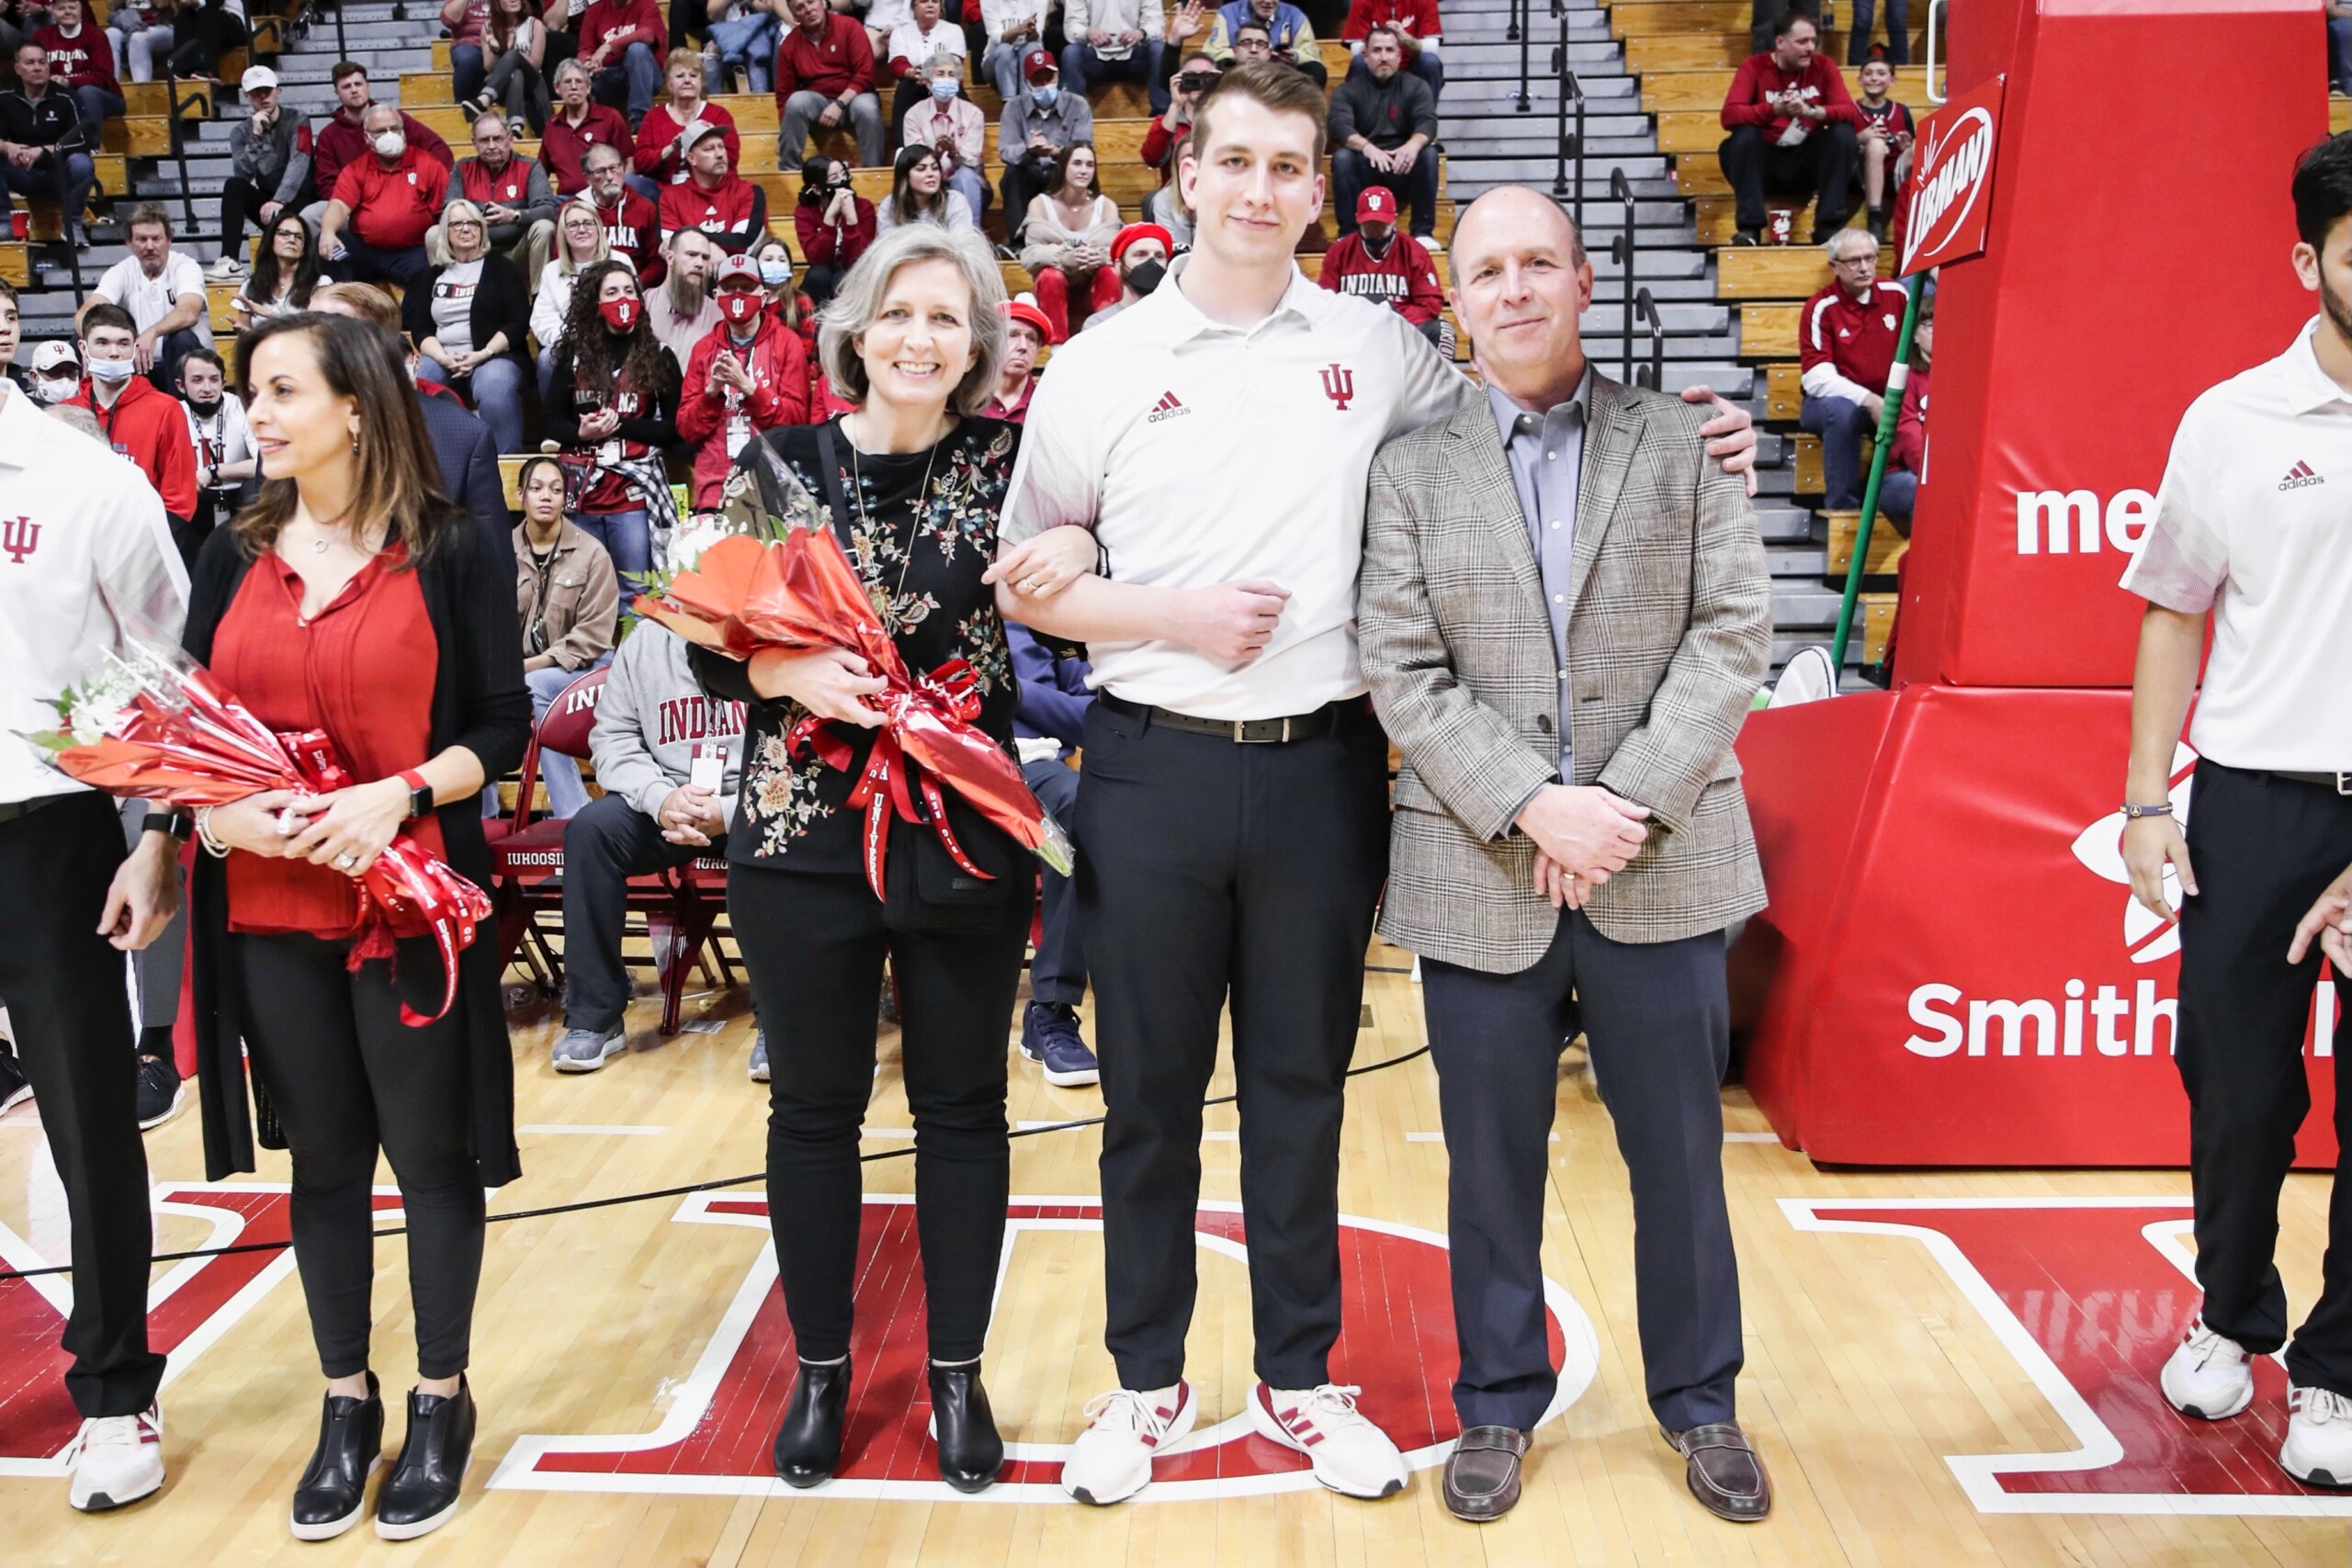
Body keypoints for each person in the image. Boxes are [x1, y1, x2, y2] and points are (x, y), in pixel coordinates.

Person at [990, 62, 1759, 1508]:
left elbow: (1520, 409)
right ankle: (1143, 1380)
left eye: (1291, 166)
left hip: (1323, 770)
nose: (1263, 189)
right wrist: (1157, 605)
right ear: (1189, 176)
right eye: (1238, 162)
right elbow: (1041, 576)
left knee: (1301, 1088)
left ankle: (1296, 1377)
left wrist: (1693, 429)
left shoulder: (1381, 346)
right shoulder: (1102, 357)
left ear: (1320, 189)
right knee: (1148, 1096)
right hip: (1151, 760)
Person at [1358, 184, 1775, 1527]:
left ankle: (1702, 1399)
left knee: (1681, 1155)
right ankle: (1496, 1398)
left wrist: (1624, 806)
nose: (1518, 288)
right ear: (1457, 298)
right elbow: (1402, 669)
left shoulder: (1686, 444)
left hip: (1662, 860)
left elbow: (1732, 639)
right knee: (1490, 1162)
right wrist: (1535, 802)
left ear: (1585, 283)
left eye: (1542, 261)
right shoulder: (1411, 469)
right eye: (1490, 270)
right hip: (1484, 866)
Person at [684, 221, 1027, 1495]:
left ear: (978, 341)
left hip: (963, 826)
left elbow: (1071, 574)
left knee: (962, 1107)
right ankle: (821, 1370)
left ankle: (957, 1373)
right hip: (797, 834)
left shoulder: (1014, 463)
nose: (921, 337)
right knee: (813, 1110)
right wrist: (775, 665)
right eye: (900, 313)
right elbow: (712, 634)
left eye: (948, 317)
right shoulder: (776, 463)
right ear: (857, 330)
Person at [180, 310, 528, 1543]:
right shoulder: (231, 549)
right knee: (322, 1162)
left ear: (357, 406)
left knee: (427, 1156)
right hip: (272, 908)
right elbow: (187, 739)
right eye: (251, 392)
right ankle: (347, 1399)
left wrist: (402, 788)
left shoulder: (450, 548)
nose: (257, 413)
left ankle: (441, 1393)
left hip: (412, 902)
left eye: (280, 391)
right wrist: (223, 830)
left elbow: (502, 726)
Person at [2121, 132, 2352, 1491]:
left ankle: (2338, 1369)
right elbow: (2172, 611)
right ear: (2307, 261)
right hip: (2254, 799)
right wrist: (2149, 798)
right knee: (2238, 1087)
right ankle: (2232, 1312)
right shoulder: (2230, 419)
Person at [0, 276, 184, 1516]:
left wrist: (160, 828)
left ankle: (117, 1387)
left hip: (41, 829)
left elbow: (168, 667)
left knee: (83, 1117)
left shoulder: (85, 482)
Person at [551, 613, 744, 1070]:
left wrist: (732, 811)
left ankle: (780, 1024)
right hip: (668, 801)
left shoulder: (776, 634)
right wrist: (661, 799)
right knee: (590, 832)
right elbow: (613, 737)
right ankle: (594, 1017)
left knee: (776, 845)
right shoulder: (646, 640)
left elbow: (801, 749)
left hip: (751, 803)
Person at [311, 281, 516, 568]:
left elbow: (492, 564)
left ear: (380, 344)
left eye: (330, 324)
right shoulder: (285, 431)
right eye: (307, 323)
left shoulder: (462, 437)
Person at [546, 257, 683, 588]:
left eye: (629, 291)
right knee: (583, 590)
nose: (623, 299)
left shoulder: (660, 355)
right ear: (595, 302)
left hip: (632, 490)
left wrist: (620, 424)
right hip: (583, 489)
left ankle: (633, 644)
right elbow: (551, 422)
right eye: (612, 292)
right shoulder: (571, 356)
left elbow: (673, 429)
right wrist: (581, 432)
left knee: (635, 589)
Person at [1008, 620, 1102, 1087]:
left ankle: (1052, 1010)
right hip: (934, 764)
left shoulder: (1045, 624)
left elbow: (1092, 715)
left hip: (1033, 766)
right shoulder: (912, 601)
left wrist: (1011, 692)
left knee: (1089, 810)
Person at [510, 455, 620, 819]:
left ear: (565, 499)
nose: (547, 497)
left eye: (556, 490)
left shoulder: (592, 554)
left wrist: (526, 666)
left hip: (589, 668)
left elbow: (591, 639)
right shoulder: (501, 551)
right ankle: (482, 816)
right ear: (521, 494)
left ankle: (571, 811)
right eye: (537, 489)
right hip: (520, 668)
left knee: (536, 687)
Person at [677, 252, 810, 507]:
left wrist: (749, 387)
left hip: (772, 479)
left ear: (763, 296)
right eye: (729, 288)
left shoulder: (786, 343)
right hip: (716, 483)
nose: (738, 295)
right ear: (716, 297)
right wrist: (711, 394)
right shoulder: (703, 348)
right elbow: (687, 430)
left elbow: (797, 421)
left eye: (747, 288)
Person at [1717, 11, 1860, 247]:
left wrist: (1812, 112)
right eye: (1802, 41)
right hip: (1764, 164)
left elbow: (1850, 112)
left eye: (1813, 41)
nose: (1810, 48)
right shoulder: (1753, 66)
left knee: (1842, 133)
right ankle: (1750, 229)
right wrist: (1774, 109)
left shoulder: (1824, 66)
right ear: (1780, 42)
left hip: (1806, 162)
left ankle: (1827, 228)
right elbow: (1729, 115)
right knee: (1743, 135)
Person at [72, 301, 198, 551]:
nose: (114, 352)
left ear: (134, 346)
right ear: (83, 348)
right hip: (79, 549)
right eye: (102, 343)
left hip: (144, 550)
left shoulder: (165, 409)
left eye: (123, 343)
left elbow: (180, 501)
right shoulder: (65, 413)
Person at [407, 200, 532, 454]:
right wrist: (443, 357)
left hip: (493, 356)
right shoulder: (430, 276)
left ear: (482, 230)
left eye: (473, 223)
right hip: (443, 356)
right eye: (457, 224)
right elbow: (420, 329)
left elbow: (518, 321)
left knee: (494, 385)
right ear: (446, 232)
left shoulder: (502, 268)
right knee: (419, 379)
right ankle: (430, 463)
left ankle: (505, 462)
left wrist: (481, 355)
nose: (466, 229)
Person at [1797, 227, 1905, 512]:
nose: (1864, 267)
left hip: (1888, 398)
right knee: (1840, 411)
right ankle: (1843, 509)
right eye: (1854, 261)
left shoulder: (1896, 294)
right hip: (1832, 403)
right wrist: (1869, 400)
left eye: (1870, 258)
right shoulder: (1821, 307)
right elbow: (1816, 377)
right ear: (1835, 266)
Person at [318, 103, 452, 290]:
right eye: (381, 131)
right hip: (366, 251)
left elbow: (445, 210)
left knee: (426, 270)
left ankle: (412, 320)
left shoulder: (428, 165)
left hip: (412, 253)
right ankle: (342, 311)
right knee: (331, 247)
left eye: (395, 129)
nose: (390, 135)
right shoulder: (356, 169)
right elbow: (339, 205)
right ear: (367, 137)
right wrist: (327, 231)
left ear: (403, 131)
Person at [306, 62, 454, 230]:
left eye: (358, 84)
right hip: (354, 205)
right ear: (337, 93)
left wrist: (420, 190)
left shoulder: (395, 119)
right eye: (346, 86)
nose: (354, 90)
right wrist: (355, 202)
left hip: (404, 198)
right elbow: (326, 184)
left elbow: (438, 148)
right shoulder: (329, 135)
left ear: (367, 86)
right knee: (310, 215)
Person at [1327, 24, 1437, 246]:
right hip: (1366, 165)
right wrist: (1368, 148)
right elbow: (1339, 125)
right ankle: (1348, 235)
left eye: (1389, 50)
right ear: (1365, 56)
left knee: (1429, 154)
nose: (1383, 57)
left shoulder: (1416, 86)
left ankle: (1422, 232)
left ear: (1399, 55)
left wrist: (1412, 146)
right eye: (1377, 51)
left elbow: (1428, 122)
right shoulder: (1347, 91)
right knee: (1342, 158)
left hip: (1402, 165)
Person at [83, 203, 208, 384]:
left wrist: (153, 332)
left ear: (169, 240)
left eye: (156, 239)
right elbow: (86, 313)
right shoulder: (121, 271)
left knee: (181, 338)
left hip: (183, 363)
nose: (149, 246)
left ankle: (185, 410)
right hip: (138, 364)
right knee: (82, 337)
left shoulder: (185, 266)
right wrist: (88, 343)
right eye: (142, 239)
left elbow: (189, 311)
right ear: (129, 242)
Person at [210, 65, 310, 276]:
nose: (263, 97)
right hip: (269, 203)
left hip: (301, 198)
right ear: (247, 96)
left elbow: (299, 161)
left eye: (268, 90)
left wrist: (280, 199)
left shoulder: (298, 119)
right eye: (256, 92)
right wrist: (256, 135)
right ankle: (230, 260)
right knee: (234, 186)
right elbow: (242, 175)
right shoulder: (240, 132)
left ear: (278, 91)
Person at [447, 108, 559, 291]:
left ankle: (540, 296)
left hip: (517, 252)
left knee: (544, 228)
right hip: (473, 252)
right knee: (434, 234)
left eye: (497, 139)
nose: (491, 146)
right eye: (484, 140)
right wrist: (475, 221)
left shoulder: (530, 167)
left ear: (510, 139)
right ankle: (445, 294)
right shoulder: (463, 168)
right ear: (474, 144)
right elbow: (448, 210)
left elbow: (548, 210)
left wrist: (513, 215)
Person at [0, 39, 95, 252]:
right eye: (30, 62)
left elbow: (82, 140)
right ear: (17, 68)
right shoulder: (4, 98)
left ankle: (73, 224)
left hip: (57, 174)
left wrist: (43, 152)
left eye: (42, 62)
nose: (37, 68)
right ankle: (5, 223)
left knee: (81, 162)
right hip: (21, 172)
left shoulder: (67, 98)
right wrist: (8, 147)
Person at [1317, 185, 1442, 345]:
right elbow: (1325, 302)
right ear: (1357, 220)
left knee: (1443, 332)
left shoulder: (1414, 252)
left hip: (1400, 332)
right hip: (1352, 333)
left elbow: (1430, 303)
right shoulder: (1339, 253)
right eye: (1369, 226)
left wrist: (1393, 316)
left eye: (1380, 226)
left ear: (1394, 220)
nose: (1375, 231)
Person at [1021, 141, 1120, 341]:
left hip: (1092, 288)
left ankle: (1108, 341)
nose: (1084, 170)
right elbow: (1031, 255)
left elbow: (1116, 252)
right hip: (1054, 290)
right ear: (1063, 166)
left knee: (1109, 273)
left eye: (1089, 165)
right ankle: (1055, 348)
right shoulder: (1041, 204)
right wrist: (1066, 258)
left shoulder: (1106, 206)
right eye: (1077, 163)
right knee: (1050, 275)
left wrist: (1098, 257)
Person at [998, 49, 1093, 245]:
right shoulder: (1014, 108)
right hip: (1029, 169)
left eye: (1048, 78)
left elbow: (1085, 148)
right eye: (1037, 81)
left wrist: (1056, 152)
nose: (1044, 85)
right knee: (1012, 172)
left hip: (1061, 169)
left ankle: (1074, 238)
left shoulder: (1077, 105)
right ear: (1027, 83)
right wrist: (1029, 148)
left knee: (1081, 169)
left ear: (1057, 76)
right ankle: (1019, 242)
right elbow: (1005, 151)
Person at [774, 0, 883, 170]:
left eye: (811, 2)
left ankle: (874, 171)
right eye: (800, 7)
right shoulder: (789, 45)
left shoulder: (849, 26)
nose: (808, 10)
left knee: (867, 108)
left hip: (855, 97)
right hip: (819, 105)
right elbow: (784, 96)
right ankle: (789, 170)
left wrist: (840, 103)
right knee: (796, 101)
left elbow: (865, 73)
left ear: (823, 3)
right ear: (795, 16)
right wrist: (783, 134)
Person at [177, 345, 256, 568]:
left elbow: (265, 463)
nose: (207, 388)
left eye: (214, 379)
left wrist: (214, 472)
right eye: (197, 380)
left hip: (238, 498)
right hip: (194, 501)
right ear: (180, 386)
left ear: (223, 382)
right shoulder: (172, 412)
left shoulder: (241, 407)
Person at [634, 45, 739, 187]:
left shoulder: (719, 115)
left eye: (693, 76)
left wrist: (698, 149)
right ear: (670, 85)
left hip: (708, 187)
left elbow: (730, 159)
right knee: (633, 183)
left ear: (701, 83)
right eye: (680, 76)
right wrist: (670, 150)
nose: (687, 80)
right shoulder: (653, 117)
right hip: (663, 190)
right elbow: (640, 162)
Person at [901, 50, 987, 221]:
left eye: (951, 75)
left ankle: (969, 240)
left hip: (965, 179)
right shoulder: (913, 115)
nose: (946, 79)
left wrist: (955, 153)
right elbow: (914, 159)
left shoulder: (973, 113)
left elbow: (972, 160)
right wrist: (936, 155)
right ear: (927, 82)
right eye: (940, 74)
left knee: (965, 175)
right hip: (927, 179)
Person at [657, 119, 768, 251]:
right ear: (691, 158)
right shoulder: (671, 197)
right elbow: (671, 249)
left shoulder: (749, 191)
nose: (720, 154)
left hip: (736, 269)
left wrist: (692, 239)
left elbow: (744, 243)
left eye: (721, 147)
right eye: (709, 149)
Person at [535, 197, 609, 391]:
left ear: (598, 228)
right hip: (567, 345)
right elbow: (542, 319)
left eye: (587, 223)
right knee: (545, 358)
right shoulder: (552, 270)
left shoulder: (619, 262)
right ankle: (554, 419)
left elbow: (633, 307)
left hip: (611, 340)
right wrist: (572, 339)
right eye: (573, 225)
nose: (582, 229)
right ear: (564, 232)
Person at [541, 56, 636, 196]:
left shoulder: (609, 117)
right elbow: (541, 171)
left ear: (588, 87)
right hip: (566, 201)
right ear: (557, 88)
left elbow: (629, 159)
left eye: (579, 82)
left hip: (604, 197)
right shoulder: (552, 125)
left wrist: (620, 192)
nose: (574, 87)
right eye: (567, 82)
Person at [35, 0, 120, 153]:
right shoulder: (42, 36)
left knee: (87, 92)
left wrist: (69, 81)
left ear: (80, 10)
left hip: (105, 97)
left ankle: (91, 146)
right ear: (53, 12)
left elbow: (104, 77)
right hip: (61, 96)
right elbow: (35, 68)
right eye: (61, 8)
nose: (67, 12)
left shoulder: (96, 35)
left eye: (72, 7)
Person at [1878, 288, 1928, 533]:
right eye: (1929, 326)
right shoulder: (1905, 378)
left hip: (1944, 471)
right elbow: (1909, 435)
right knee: (1926, 493)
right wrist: (1936, 473)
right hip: (1899, 473)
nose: (1938, 332)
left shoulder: (1960, 375)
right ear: (1915, 335)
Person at [795, 154, 875, 305]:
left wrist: (851, 220)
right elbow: (816, 259)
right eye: (834, 178)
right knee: (818, 275)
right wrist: (829, 219)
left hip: (854, 272)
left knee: (843, 278)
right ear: (817, 189)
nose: (843, 181)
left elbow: (858, 259)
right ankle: (813, 326)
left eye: (844, 174)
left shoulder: (864, 208)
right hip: (821, 274)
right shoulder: (805, 212)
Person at [1852, 51, 1913, 243]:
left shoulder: (1902, 111)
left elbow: (1910, 143)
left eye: (1880, 73)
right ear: (1859, 80)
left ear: (1892, 80)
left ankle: (1918, 214)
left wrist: (1905, 147)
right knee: (1876, 145)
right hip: (1860, 172)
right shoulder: (1850, 110)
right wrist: (1860, 138)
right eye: (1868, 74)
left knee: (1917, 149)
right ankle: (1875, 217)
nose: (1874, 78)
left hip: (1892, 171)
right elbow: (1840, 146)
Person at [467, 0, 550, 133]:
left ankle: (484, 98)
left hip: (532, 85)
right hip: (502, 86)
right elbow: (489, 67)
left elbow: (536, 63)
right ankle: (515, 125)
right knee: (516, 74)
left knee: (514, 57)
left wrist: (508, 53)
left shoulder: (534, 24)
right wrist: (494, 48)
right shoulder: (488, 28)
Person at [576, 0, 664, 124]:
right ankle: (588, 126)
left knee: (637, 50)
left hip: (646, 74)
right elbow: (585, 49)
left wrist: (608, 47)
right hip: (610, 74)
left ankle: (640, 121)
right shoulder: (595, 10)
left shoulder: (647, 4)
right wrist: (589, 63)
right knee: (578, 72)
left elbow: (647, 35)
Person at [883, 0, 962, 140]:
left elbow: (955, 62)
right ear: (913, 7)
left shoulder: (954, 30)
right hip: (914, 81)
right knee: (905, 88)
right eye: (924, 1)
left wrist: (932, 74)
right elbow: (898, 64)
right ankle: (903, 149)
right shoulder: (900, 32)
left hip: (944, 80)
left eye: (935, 2)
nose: (931, 5)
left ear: (941, 7)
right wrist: (913, 73)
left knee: (955, 89)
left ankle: (960, 144)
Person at [1060, 0, 1160, 107]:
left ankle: (1162, 116)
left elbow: (1155, 23)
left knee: (1159, 49)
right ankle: (1071, 117)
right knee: (1071, 53)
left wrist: (1141, 33)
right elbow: (1072, 26)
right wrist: (1087, 32)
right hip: (1095, 57)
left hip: (1133, 56)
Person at [1139, 51, 1214, 194]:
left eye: (1205, 77)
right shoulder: (1167, 121)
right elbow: (1152, 158)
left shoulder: (1227, 119)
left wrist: (1222, 88)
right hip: (1177, 195)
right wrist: (1175, 104)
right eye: (1191, 76)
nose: (1198, 83)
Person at [582, 139, 661, 273]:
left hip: (635, 287)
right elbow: (562, 259)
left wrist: (636, 285)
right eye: (601, 171)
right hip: (588, 287)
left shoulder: (645, 208)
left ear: (623, 169)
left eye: (614, 168)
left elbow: (657, 262)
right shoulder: (574, 211)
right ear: (587, 178)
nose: (610, 176)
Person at [233, 208, 322, 325]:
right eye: (284, 234)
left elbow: (322, 332)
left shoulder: (320, 284)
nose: (292, 240)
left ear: (304, 249)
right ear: (271, 242)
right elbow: (244, 334)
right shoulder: (251, 286)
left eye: (298, 237)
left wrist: (271, 316)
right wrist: (245, 334)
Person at [646, 221, 722, 358]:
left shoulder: (718, 314)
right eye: (691, 255)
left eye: (705, 258)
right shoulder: (644, 305)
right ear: (670, 258)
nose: (699, 264)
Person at [1205, 0, 1324, 85]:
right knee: (1219, 65)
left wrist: (1294, 56)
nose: (1268, 1)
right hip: (1238, 74)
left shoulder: (1295, 16)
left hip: (1281, 75)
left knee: (1315, 69)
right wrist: (1247, 54)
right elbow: (1211, 53)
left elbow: (1313, 55)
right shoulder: (1228, 13)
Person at [1078, 220, 1168, 332]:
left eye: (1159, 256)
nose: (1151, 261)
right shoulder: (1099, 324)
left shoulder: (1181, 318)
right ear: (1119, 266)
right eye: (1140, 255)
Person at [1340, 0, 1438, 99]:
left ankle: (1424, 112)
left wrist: (1407, 39)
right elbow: (1356, 48)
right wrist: (1380, 42)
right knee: (1359, 61)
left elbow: (1431, 47)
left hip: (1411, 69)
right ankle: (1363, 112)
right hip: (1377, 68)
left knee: (1430, 62)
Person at [877, 140, 975, 232]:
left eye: (935, 168)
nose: (930, 174)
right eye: (921, 169)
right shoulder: (889, 205)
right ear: (905, 176)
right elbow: (888, 246)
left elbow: (961, 243)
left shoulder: (955, 201)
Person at [978, 294, 1047, 418]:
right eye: (1012, 335)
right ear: (992, 342)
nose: (1023, 346)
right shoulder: (965, 399)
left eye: (1031, 339)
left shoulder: (1046, 404)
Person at [446, 0, 493, 106]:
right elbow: (448, 20)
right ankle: (464, 108)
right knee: (467, 59)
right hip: (468, 41)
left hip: (501, 37)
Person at [26, 336, 85, 403]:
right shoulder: (23, 406)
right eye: (56, 372)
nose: (64, 379)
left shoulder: (88, 405)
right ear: (34, 376)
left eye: (70, 371)